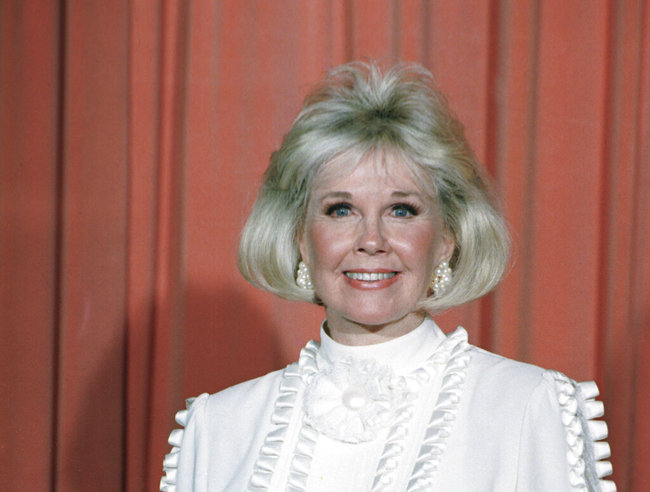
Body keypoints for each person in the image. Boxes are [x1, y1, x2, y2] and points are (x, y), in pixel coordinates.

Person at [160, 61, 615, 491]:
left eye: (402, 210)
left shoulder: (528, 407)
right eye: (341, 210)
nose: (372, 240)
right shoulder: (218, 428)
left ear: (447, 238)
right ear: (300, 236)